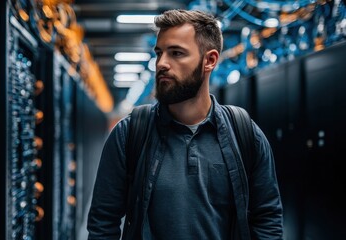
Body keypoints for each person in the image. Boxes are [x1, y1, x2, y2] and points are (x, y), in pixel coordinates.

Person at [87, 9, 283, 240]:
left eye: (176, 53)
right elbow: (103, 224)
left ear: (209, 60)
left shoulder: (245, 134)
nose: (161, 64)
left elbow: (267, 219)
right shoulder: (129, 134)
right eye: (159, 53)